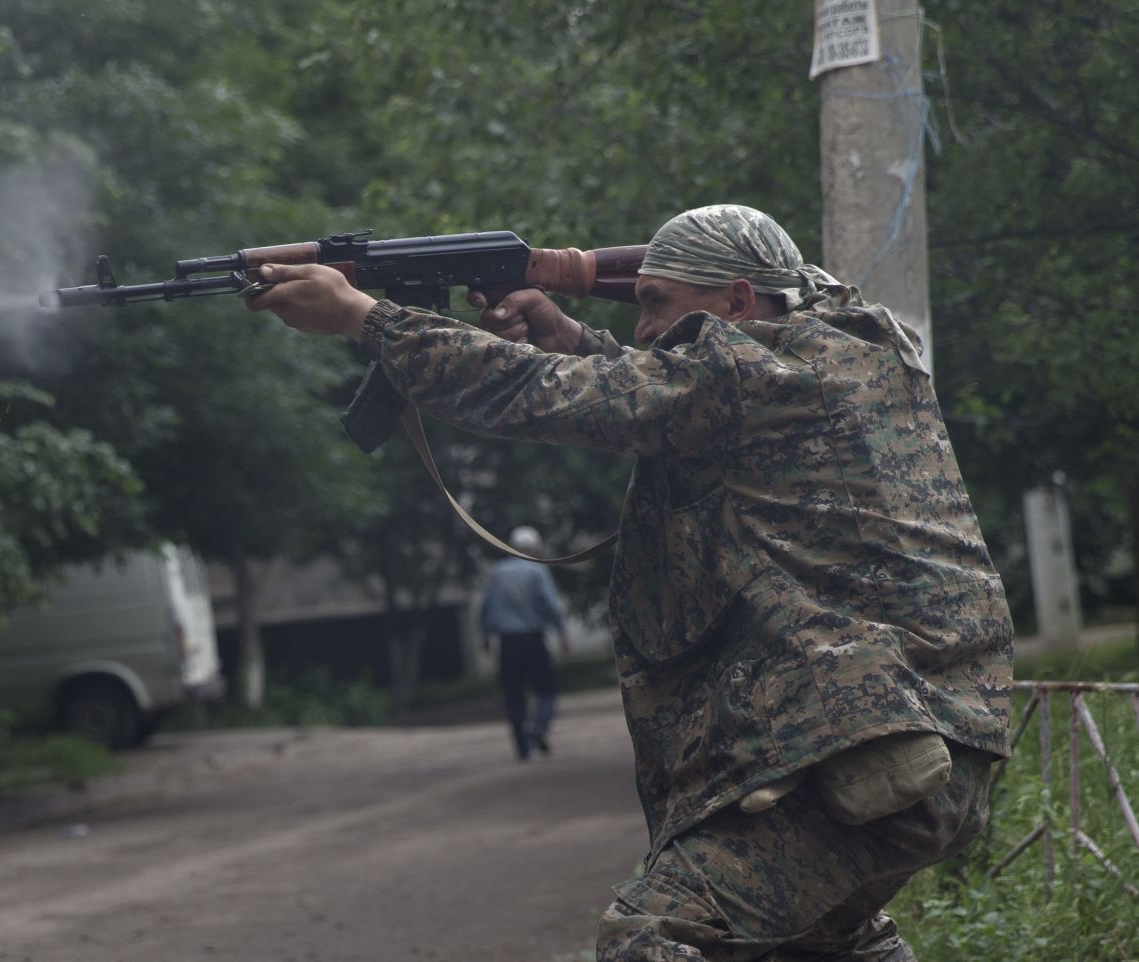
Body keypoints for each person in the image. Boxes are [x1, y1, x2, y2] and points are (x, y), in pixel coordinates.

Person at [246, 205, 1013, 962]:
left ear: (739, 301)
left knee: (651, 934)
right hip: (905, 737)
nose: (645, 327)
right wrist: (575, 332)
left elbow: (541, 392)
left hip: (864, 745)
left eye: (656, 303)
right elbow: (684, 389)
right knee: (822, 941)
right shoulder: (841, 345)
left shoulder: (753, 372)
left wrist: (366, 318)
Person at [480, 525, 572, 760]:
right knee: (546, 689)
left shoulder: (498, 572)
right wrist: (561, 633)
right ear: (534, 548)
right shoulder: (537, 570)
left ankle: (522, 748)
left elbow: (487, 607)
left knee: (513, 694)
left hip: (507, 643)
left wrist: (486, 636)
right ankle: (538, 727)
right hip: (532, 640)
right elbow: (550, 606)